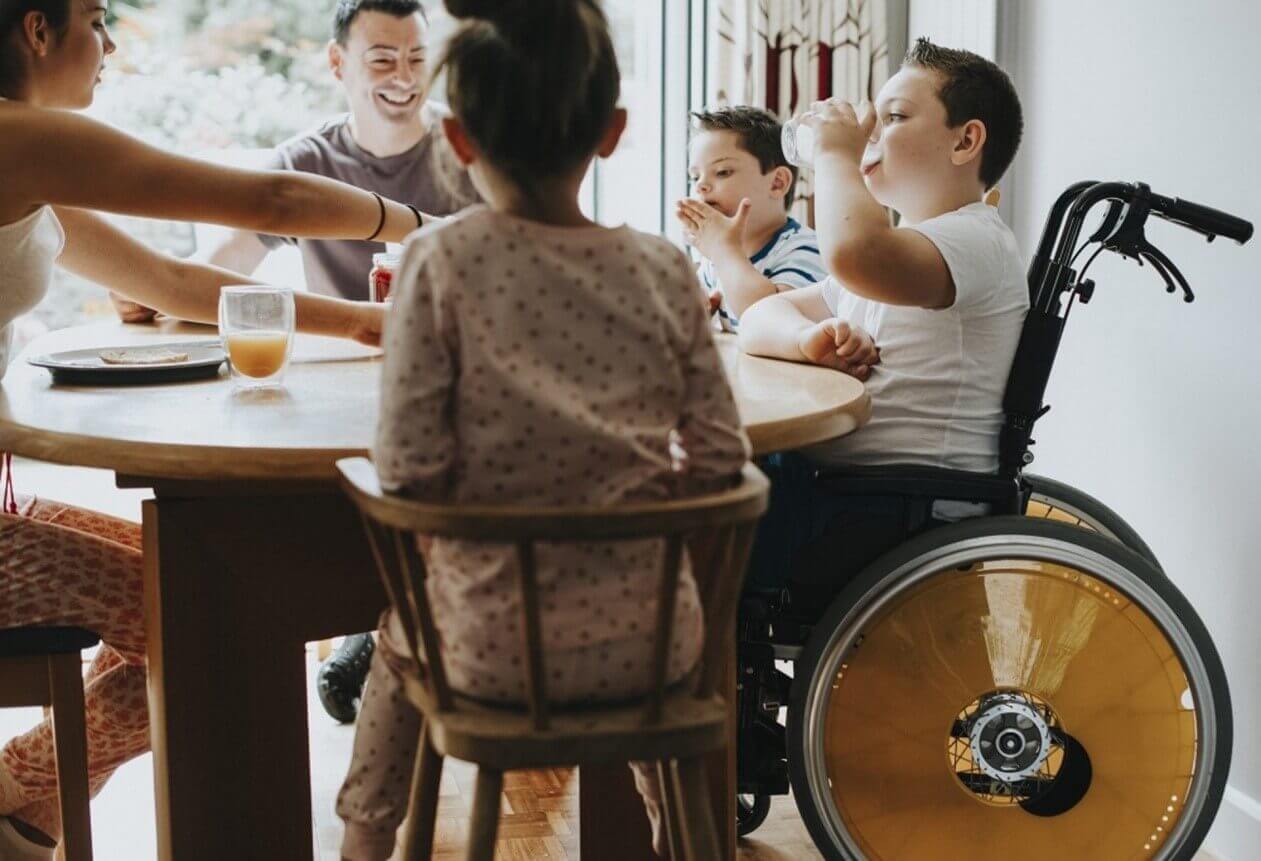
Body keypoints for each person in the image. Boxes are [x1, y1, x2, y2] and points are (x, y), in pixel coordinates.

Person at [0, 0, 443, 854]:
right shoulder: (18, 137)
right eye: (95, 20)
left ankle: (25, 806)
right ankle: (31, 800)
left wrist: (357, 320)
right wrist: (424, 227)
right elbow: (270, 196)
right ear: (36, 29)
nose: (109, 44)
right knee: (211, 620)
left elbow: (172, 281)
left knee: (198, 589)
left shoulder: (27, 162)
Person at [334, 1, 751, 857]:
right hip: (652, 646)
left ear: (456, 139)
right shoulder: (665, 268)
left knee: (395, 638)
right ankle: (678, 837)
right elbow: (719, 460)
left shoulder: (437, 262)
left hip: (489, 652)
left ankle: (364, 842)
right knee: (653, 697)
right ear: (611, 131)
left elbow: (406, 468)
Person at [737, 37, 1028, 592]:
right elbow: (759, 315)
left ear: (966, 141)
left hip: (895, 512)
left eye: (893, 117)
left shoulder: (975, 240)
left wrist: (832, 155)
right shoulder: (905, 250)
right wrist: (808, 338)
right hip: (845, 494)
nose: (869, 133)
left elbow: (853, 252)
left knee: (687, 513)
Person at [676, 106, 828, 331]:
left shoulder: (808, 251)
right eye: (695, 176)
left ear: (777, 183)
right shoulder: (714, 259)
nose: (700, 185)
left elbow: (770, 324)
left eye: (722, 172)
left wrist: (724, 251)